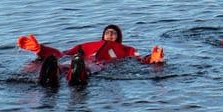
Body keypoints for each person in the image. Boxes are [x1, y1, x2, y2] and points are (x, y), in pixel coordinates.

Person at [17, 24, 164, 86]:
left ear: (118, 36)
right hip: (81, 59)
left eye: (113, 33)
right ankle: (53, 72)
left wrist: (153, 59)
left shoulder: (126, 49)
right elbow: (62, 54)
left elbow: (139, 59)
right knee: (64, 64)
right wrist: (40, 49)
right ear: (103, 35)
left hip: (101, 64)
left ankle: (78, 73)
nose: (110, 34)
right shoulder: (86, 45)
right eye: (107, 32)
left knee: (90, 67)